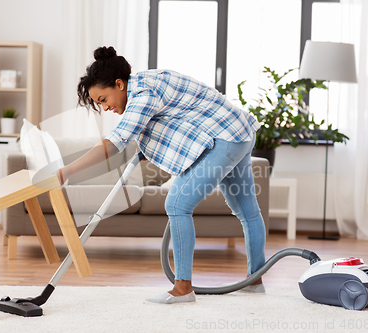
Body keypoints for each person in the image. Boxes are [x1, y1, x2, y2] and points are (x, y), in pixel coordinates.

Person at [57, 46, 267, 304]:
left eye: (103, 99)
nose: (106, 108)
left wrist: (65, 171)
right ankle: (254, 281)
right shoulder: (147, 82)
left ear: (119, 84)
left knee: (177, 203)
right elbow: (175, 119)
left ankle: (183, 289)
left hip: (225, 138)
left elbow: (114, 143)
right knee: (248, 211)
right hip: (240, 131)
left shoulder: (143, 94)